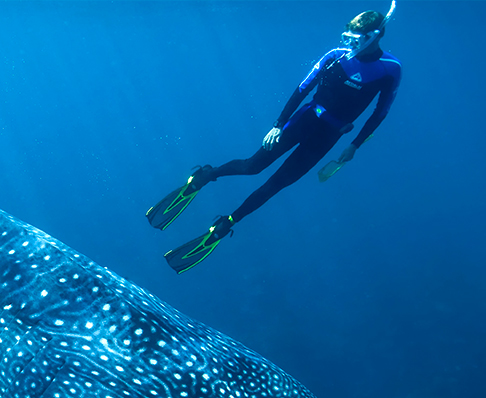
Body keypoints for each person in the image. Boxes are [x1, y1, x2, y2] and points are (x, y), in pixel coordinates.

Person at [147, 6, 402, 273]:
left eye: (356, 38)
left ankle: (227, 223)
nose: (350, 43)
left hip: (328, 136)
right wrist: (278, 125)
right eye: (347, 37)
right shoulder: (335, 57)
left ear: (374, 36)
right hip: (303, 121)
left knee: (278, 184)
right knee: (252, 167)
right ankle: (206, 176)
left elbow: (380, 113)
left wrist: (354, 145)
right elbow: (303, 89)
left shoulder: (390, 69)